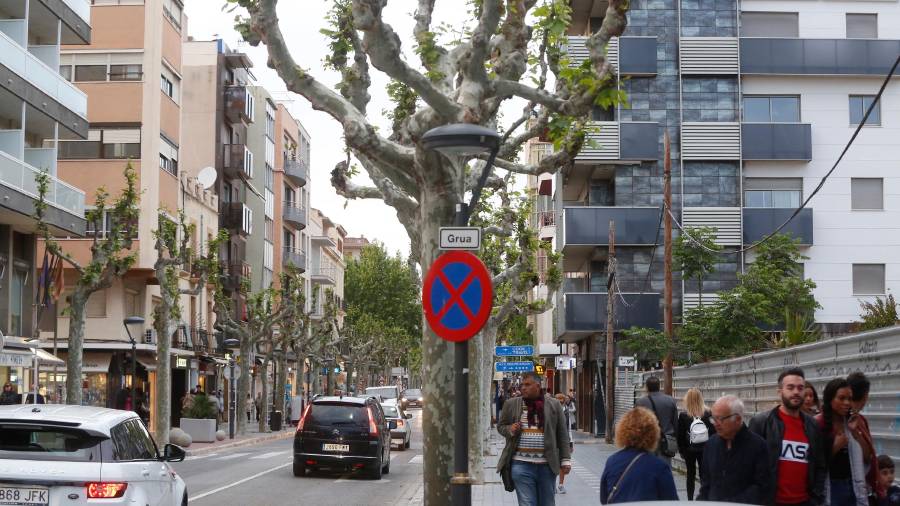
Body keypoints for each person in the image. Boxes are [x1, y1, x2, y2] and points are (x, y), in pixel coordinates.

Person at [748, 367, 827, 506]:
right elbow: (749, 465)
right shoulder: (761, 423)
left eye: (800, 388)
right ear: (780, 391)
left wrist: (815, 497)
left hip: (805, 501)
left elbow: (820, 464)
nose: (796, 392)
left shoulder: (813, 426)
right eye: (790, 387)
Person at [496, 371, 571, 506]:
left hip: (547, 466)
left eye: (527, 384)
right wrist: (510, 429)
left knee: (547, 503)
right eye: (522, 385)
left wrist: (566, 459)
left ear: (537, 385)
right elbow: (501, 426)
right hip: (521, 465)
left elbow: (562, 433)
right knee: (527, 503)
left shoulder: (553, 404)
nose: (523, 388)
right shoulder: (511, 404)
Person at [698, 395, 770, 504]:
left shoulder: (758, 446)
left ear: (737, 419)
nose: (715, 424)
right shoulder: (711, 444)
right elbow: (706, 483)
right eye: (713, 419)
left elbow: (761, 487)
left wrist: (731, 503)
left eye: (720, 419)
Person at [600, 407, 678, 503]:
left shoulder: (612, 462)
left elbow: (604, 499)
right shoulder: (659, 467)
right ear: (653, 434)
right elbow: (672, 502)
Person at [817, 377, 868, 506]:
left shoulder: (855, 421)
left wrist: (855, 433)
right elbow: (813, 464)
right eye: (841, 398)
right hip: (830, 489)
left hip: (854, 487)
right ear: (830, 399)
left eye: (850, 399)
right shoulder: (817, 423)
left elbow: (867, 457)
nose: (847, 403)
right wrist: (834, 447)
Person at [676, 388, 715, 501]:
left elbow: (680, 436)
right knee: (704, 475)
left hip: (689, 450)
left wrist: (682, 451)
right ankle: (705, 499)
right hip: (705, 449)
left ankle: (690, 500)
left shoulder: (684, 415)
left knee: (690, 475)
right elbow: (713, 432)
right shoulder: (707, 413)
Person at [847, 371, 880, 499]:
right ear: (866, 395)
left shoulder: (860, 420)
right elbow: (867, 456)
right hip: (852, 490)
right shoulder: (849, 420)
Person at [635, 376, 678, 463]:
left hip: (647, 441)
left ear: (647, 387)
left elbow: (637, 425)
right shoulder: (670, 400)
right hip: (666, 441)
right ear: (659, 386)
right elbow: (675, 422)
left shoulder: (640, 402)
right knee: (665, 468)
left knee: (648, 467)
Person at [554, 393, 574, 494]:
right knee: (553, 464)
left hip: (563, 441)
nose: (560, 400)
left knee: (563, 464)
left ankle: (561, 485)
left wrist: (571, 443)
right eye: (558, 399)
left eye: (562, 399)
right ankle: (553, 485)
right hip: (553, 441)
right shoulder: (551, 411)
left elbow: (569, 428)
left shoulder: (566, 412)